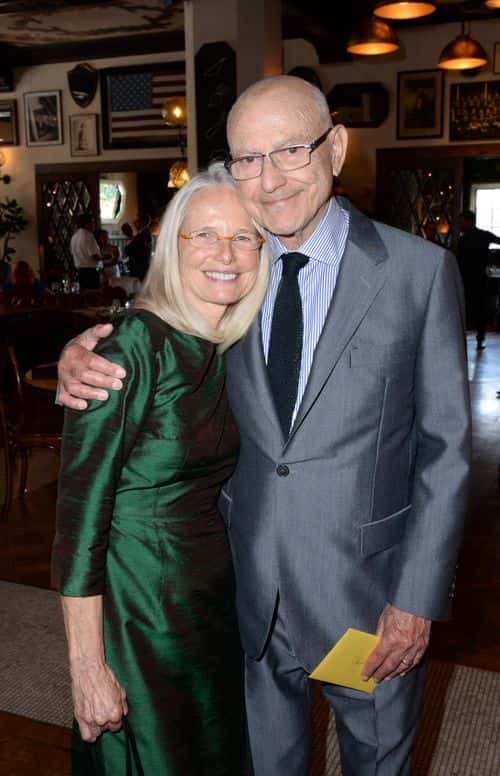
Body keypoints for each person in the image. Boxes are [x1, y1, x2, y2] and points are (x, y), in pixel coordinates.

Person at [57, 75, 471, 776]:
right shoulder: (227, 278)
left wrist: (417, 599)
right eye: (247, 158)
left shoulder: (418, 273)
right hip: (240, 601)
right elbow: (157, 341)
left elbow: (445, 449)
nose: (269, 179)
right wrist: (80, 351)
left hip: (369, 601)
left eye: (290, 150)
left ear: (336, 148)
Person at [52, 162, 269, 775]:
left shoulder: (233, 349)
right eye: (204, 233)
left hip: (209, 605)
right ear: (172, 245)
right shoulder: (128, 351)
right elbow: (77, 526)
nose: (225, 252)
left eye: (244, 236)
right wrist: (87, 665)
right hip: (137, 612)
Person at [456, 210, 500, 349]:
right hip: (475, 278)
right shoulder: (482, 236)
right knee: (477, 308)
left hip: (472, 278)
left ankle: (475, 337)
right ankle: (479, 338)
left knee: (474, 308)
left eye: (462, 221)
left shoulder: (464, 239)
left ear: (470, 221)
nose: (460, 225)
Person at [70, 213, 102, 290]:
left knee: (85, 297)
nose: (94, 224)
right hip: (90, 273)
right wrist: (105, 257)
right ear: (87, 224)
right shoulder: (89, 236)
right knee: (93, 296)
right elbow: (94, 256)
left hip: (80, 272)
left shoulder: (74, 237)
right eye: (93, 222)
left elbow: (72, 253)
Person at [124, 213, 153, 282]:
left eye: (137, 220)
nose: (135, 222)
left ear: (141, 222)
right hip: (143, 267)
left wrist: (130, 236)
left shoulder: (142, 235)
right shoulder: (146, 234)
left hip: (139, 268)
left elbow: (130, 250)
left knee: (138, 288)